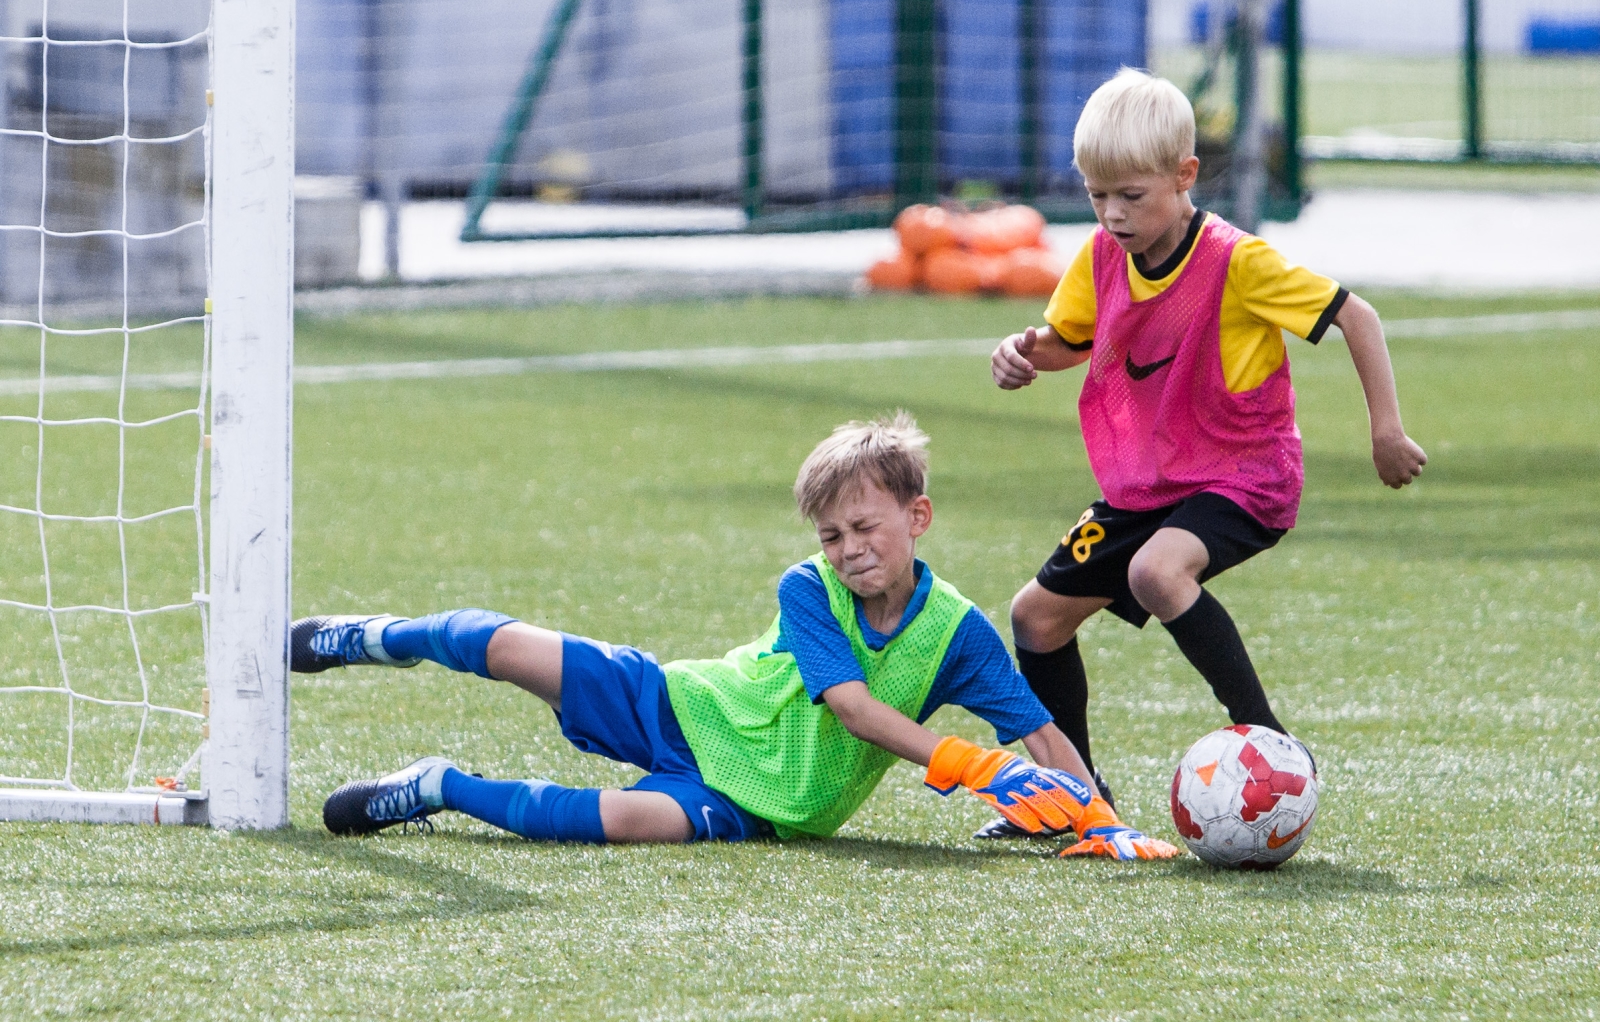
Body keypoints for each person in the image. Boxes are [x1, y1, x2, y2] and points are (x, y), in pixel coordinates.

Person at [293, 413, 1179, 861]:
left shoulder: (957, 633)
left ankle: (437, 787)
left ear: (919, 518)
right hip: (687, 708)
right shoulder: (810, 590)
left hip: (769, 805)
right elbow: (855, 708)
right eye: (833, 536)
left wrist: (1100, 819)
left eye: (866, 528)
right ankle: (375, 636)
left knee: (628, 824)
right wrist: (978, 767)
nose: (849, 550)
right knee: (512, 650)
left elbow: (1040, 729)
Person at [983, 68, 1427, 839]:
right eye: (1098, 196)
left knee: (1156, 570)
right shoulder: (1100, 257)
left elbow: (1359, 318)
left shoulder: (1236, 262)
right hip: (1145, 486)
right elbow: (1069, 342)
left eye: (1132, 196)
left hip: (1243, 475)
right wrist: (1023, 353)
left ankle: (1270, 742)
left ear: (1185, 177)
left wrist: (1385, 431)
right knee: (1036, 617)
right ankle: (1075, 802)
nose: (1113, 215)